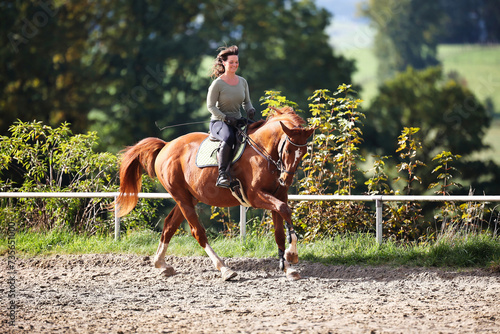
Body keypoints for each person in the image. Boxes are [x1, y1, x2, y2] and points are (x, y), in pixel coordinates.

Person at [207, 45, 256, 188]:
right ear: (224, 63)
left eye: (236, 62)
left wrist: (250, 109)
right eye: (231, 62)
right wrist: (225, 118)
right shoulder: (217, 84)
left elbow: (246, 102)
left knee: (258, 130)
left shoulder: (242, 81)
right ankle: (222, 174)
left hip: (237, 120)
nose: (235, 65)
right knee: (229, 137)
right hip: (219, 122)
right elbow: (211, 107)